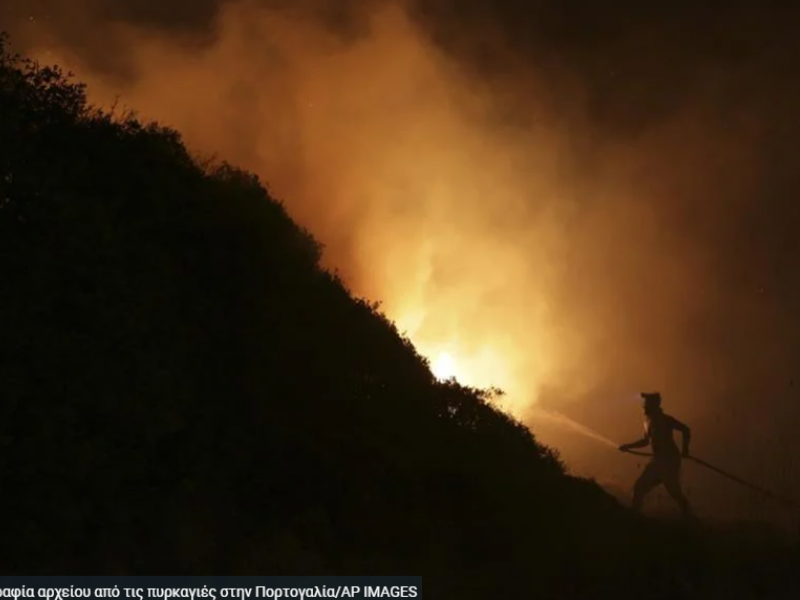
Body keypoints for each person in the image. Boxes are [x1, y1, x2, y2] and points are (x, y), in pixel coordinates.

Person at [618, 392, 692, 517]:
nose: (643, 406)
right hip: (658, 460)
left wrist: (685, 449)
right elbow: (646, 441)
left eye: (646, 403)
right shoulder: (647, 422)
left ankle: (634, 516)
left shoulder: (665, 419)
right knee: (646, 487)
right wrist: (627, 446)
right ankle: (689, 516)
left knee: (649, 488)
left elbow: (686, 429)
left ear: (654, 405)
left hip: (668, 460)